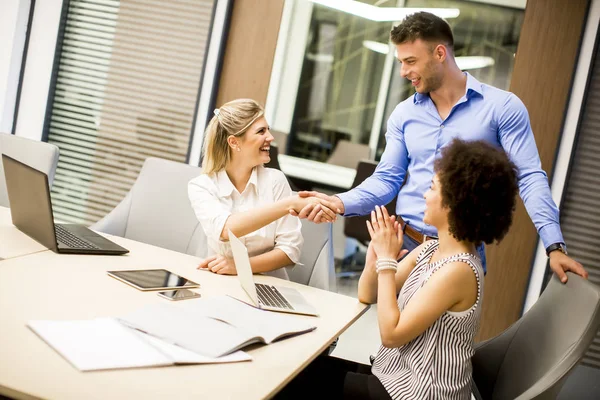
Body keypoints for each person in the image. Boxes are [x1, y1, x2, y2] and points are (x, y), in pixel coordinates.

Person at [292, 11, 587, 282]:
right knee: (395, 337)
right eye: (400, 62)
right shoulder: (404, 115)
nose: (403, 72)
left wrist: (554, 245)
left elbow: (530, 177)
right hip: (404, 247)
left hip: (459, 252)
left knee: (442, 338)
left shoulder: (502, 108)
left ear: (440, 53)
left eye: (410, 61)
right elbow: (387, 179)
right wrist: (339, 202)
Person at [277, 138, 519, 400]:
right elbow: (367, 295)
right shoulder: (429, 250)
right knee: (297, 368)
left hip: (418, 393)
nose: (424, 196)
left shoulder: (459, 270)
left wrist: (386, 263)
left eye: (431, 188)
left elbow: (391, 334)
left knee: (296, 381)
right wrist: (375, 259)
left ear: (454, 202)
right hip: (393, 377)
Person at [188, 98, 337, 278]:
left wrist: (240, 266)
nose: (270, 137)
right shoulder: (201, 186)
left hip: (269, 287)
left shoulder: (275, 181)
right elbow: (226, 229)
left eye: (268, 130)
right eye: (261, 131)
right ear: (234, 142)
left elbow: (290, 251)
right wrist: (289, 204)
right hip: (220, 281)